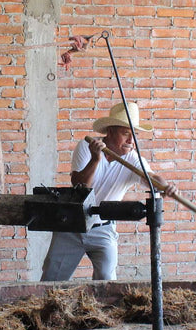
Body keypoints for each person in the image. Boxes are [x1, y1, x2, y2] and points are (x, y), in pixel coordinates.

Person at [40, 101, 177, 281]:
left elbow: (151, 178)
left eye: (133, 135)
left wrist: (165, 187)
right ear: (110, 131)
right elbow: (80, 186)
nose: (130, 141)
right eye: (125, 133)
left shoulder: (133, 160)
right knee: (52, 280)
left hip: (103, 229)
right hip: (72, 225)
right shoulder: (87, 147)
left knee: (106, 279)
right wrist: (95, 159)